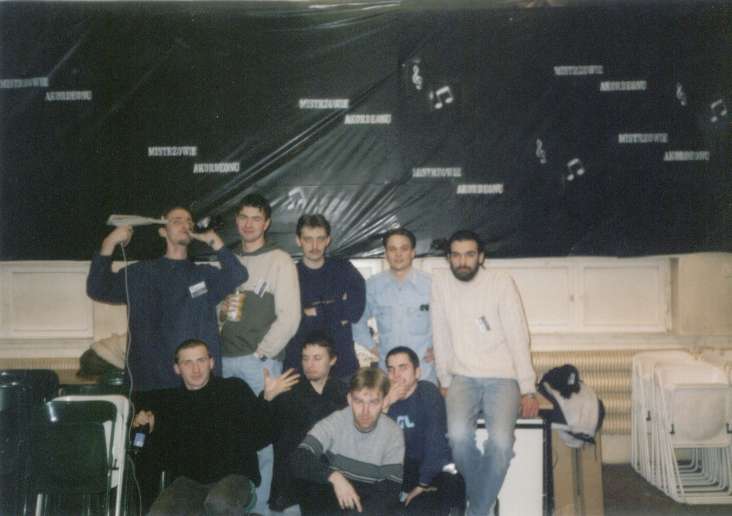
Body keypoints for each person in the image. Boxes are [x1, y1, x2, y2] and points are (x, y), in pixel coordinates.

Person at [431, 230, 539, 516]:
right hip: (462, 377)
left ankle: (476, 509)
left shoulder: (500, 282)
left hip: (503, 377)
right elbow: (440, 332)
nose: (462, 261)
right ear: (449, 258)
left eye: (469, 254)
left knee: (501, 444)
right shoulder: (441, 283)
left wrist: (528, 388)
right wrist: (444, 378)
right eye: (456, 255)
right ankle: (485, 500)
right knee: (457, 439)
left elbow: (518, 336)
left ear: (480, 257)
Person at [86, 206, 248, 391]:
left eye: (189, 222)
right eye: (177, 221)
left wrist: (214, 241)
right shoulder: (140, 273)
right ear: (163, 231)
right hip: (152, 380)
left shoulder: (204, 274)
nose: (185, 225)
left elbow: (238, 275)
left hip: (196, 380)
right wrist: (109, 242)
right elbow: (97, 289)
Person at [133, 338, 296, 516]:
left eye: (201, 360)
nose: (196, 369)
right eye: (188, 363)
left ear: (211, 363)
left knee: (219, 502)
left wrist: (268, 400)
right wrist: (150, 431)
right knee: (159, 512)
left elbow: (261, 437)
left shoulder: (233, 389)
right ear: (177, 369)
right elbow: (163, 459)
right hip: (190, 484)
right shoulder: (170, 404)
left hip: (235, 479)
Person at [219, 193, 301, 514]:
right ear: (236, 221)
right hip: (225, 361)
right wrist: (220, 311)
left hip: (259, 364)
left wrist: (262, 353)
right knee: (232, 438)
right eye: (243, 217)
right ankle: (237, 505)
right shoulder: (227, 259)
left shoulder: (280, 260)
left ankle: (262, 508)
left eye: (256, 218)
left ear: (266, 223)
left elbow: (290, 317)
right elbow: (215, 311)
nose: (249, 224)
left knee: (263, 441)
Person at [290, 367, 404, 516]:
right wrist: (335, 477)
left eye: (373, 402)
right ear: (349, 399)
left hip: (369, 501)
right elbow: (299, 457)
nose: (365, 411)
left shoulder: (393, 433)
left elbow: (390, 491)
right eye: (358, 401)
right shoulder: (336, 420)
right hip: (335, 495)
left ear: (384, 401)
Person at [266, 330, 349, 514]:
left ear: (332, 360)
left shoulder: (344, 393)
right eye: (305, 358)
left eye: (317, 358)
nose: (309, 365)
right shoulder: (287, 391)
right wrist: (268, 399)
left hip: (332, 482)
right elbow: (262, 434)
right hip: (293, 485)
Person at [383, 346, 465, 516]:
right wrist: (386, 404)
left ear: (417, 372)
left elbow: (436, 445)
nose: (396, 375)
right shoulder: (383, 400)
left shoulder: (427, 392)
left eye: (403, 368)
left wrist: (422, 484)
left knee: (451, 483)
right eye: (391, 369)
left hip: (438, 467)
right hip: (403, 470)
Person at [283, 214, 365, 380]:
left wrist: (313, 313)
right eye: (308, 239)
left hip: (342, 364)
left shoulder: (343, 269)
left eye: (320, 239)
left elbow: (355, 311)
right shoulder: (288, 275)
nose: (315, 246)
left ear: (328, 240)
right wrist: (338, 312)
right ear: (298, 240)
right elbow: (287, 320)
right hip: (302, 367)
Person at [353, 228, 436, 383]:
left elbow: (451, 321)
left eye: (404, 249)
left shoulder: (432, 285)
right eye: (392, 249)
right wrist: (374, 348)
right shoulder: (373, 286)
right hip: (389, 375)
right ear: (385, 254)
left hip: (424, 373)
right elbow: (356, 321)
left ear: (413, 252)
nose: (398, 254)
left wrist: (439, 349)